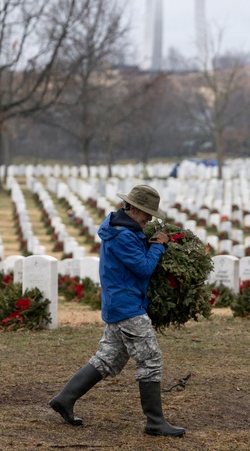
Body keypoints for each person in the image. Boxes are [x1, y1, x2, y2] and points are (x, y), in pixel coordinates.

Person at [49, 184, 185, 437]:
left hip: (120, 302)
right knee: (150, 359)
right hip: (127, 306)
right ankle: (155, 422)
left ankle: (64, 399)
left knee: (109, 357)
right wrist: (157, 246)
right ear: (132, 209)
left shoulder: (123, 229)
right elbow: (143, 268)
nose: (149, 219)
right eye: (146, 213)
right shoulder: (123, 235)